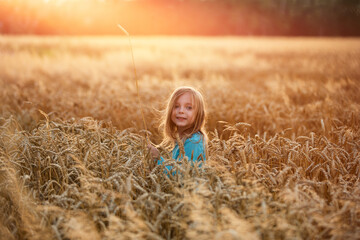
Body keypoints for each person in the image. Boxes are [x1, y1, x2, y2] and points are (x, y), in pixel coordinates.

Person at [148, 86, 207, 175]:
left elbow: (181, 176)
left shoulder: (193, 141)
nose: (181, 111)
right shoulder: (181, 139)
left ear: (199, 114)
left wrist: (157, 158)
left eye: (189, 107)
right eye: (176, 106)